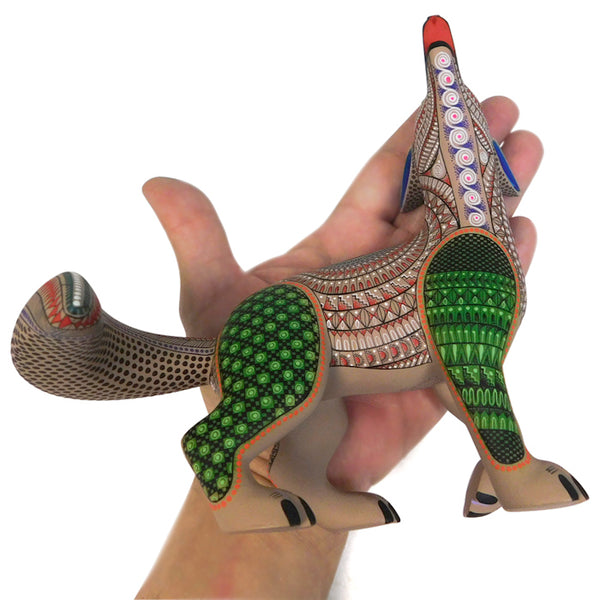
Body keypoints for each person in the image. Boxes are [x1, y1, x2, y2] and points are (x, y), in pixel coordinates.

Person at [135, 96, 542, 599]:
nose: (467, 173)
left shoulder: (475, 260)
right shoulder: (463, 267)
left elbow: (460, 376)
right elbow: (470, 371)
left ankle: (310, 489)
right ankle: (510, 470)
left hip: (339, 325)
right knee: (288, 397)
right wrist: (510, 463)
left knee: (322, 422)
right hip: (296, 318)